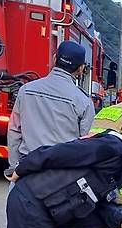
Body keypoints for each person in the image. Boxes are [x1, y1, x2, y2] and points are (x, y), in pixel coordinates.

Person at [7, 40, 95, 172]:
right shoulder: (84, 102)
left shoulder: (26, 90)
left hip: (27, 169)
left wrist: (15, 168)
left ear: (54, 58)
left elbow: (14, 131)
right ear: (81, 68)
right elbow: (84, 145)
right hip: (61, 175)